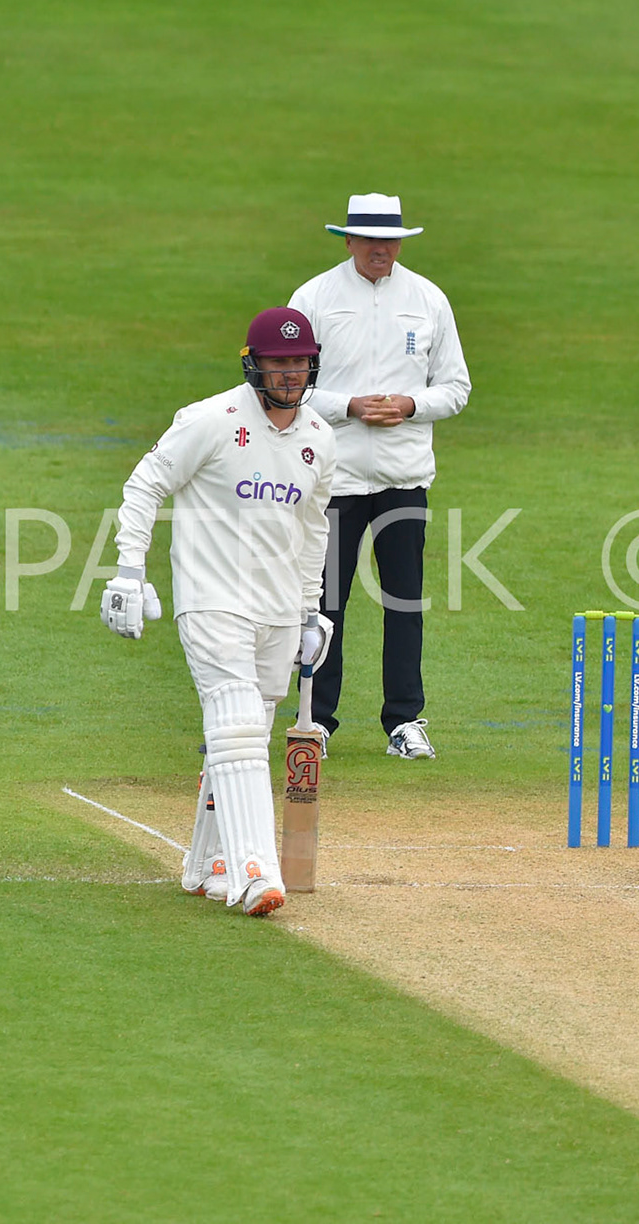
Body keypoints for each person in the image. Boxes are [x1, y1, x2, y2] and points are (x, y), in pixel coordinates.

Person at [100, 307, 338, 916]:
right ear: (253, 363)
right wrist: (129, 570)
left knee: (246, 734)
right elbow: (144, 485)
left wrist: (312, 611)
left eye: (299, 361)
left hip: (280, 609)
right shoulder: (209, 420)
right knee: (235, 730)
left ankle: (206, 864)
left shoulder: (318, 437)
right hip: (212, 602)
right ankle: (256, 872)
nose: (290, 373)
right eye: (278, 362)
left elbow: (314, 532)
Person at [288, 193, 471, 760]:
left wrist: (411, 406)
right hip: (331, 479)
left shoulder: (428, 299)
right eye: (369, 241)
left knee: (404, 601)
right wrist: (351, 406)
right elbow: (289, 385)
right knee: (324, 604)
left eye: (389, 241)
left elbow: (456, 388)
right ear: (348, 241)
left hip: (403, 476)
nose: (381, 250)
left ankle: (404, 721)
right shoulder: (314, 297)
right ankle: (315, 720)